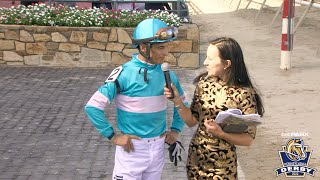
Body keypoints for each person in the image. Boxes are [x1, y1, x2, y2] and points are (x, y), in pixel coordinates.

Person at [84, 18, 188, 180]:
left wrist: (176, 129)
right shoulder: (123, 73)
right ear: (144, 47)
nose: (166, 52)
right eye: (161, 47)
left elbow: (182, 102)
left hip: (158, 147)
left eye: (167, 46)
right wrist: (113, 136)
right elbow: (92, 106)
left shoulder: (168, 73)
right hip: (132, 150)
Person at [164, 37, 264, 179]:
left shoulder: (244, 94)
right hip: (196, 161)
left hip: (223, 166)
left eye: (210, 59)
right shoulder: (204, 85)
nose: (205, 62)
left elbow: (248, 139)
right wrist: (177, 101)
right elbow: (192, 121)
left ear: (227, 64)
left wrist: (221, 134)